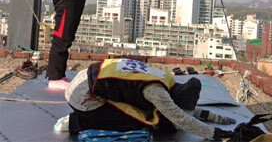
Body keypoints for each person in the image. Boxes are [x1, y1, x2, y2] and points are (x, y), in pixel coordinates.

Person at [54, 58, 235, 141]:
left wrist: (209, 115)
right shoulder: (157, 92)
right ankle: (76, 122)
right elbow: (179, 116)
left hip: (88, 78)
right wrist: (212, 133)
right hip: (82, 97)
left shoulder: (166, 79)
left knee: (145, 110)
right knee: (135, 122)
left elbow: (179, 108)